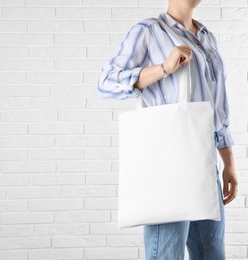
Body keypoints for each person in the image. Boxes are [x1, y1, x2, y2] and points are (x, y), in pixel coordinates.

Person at [97, 0, 238, 259]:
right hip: (168, 165)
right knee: (167, 254)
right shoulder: (149, 31)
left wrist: (228, 161)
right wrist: (164, 68)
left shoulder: (207, 38)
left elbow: (218, 107)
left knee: (212, 254)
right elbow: (106, 82)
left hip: (204, 163)